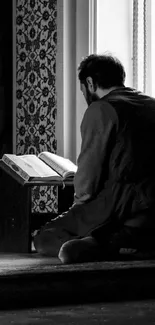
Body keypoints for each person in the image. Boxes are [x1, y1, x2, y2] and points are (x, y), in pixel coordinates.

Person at [34, 54, 155, 263]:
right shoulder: (151, 104)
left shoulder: (101, 109)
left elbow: (89, 178)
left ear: (89, 83)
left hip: (121, 203)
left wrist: (78, 208)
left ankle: (110, 245)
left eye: (83, 89)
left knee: (44, 237)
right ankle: (134, 241)